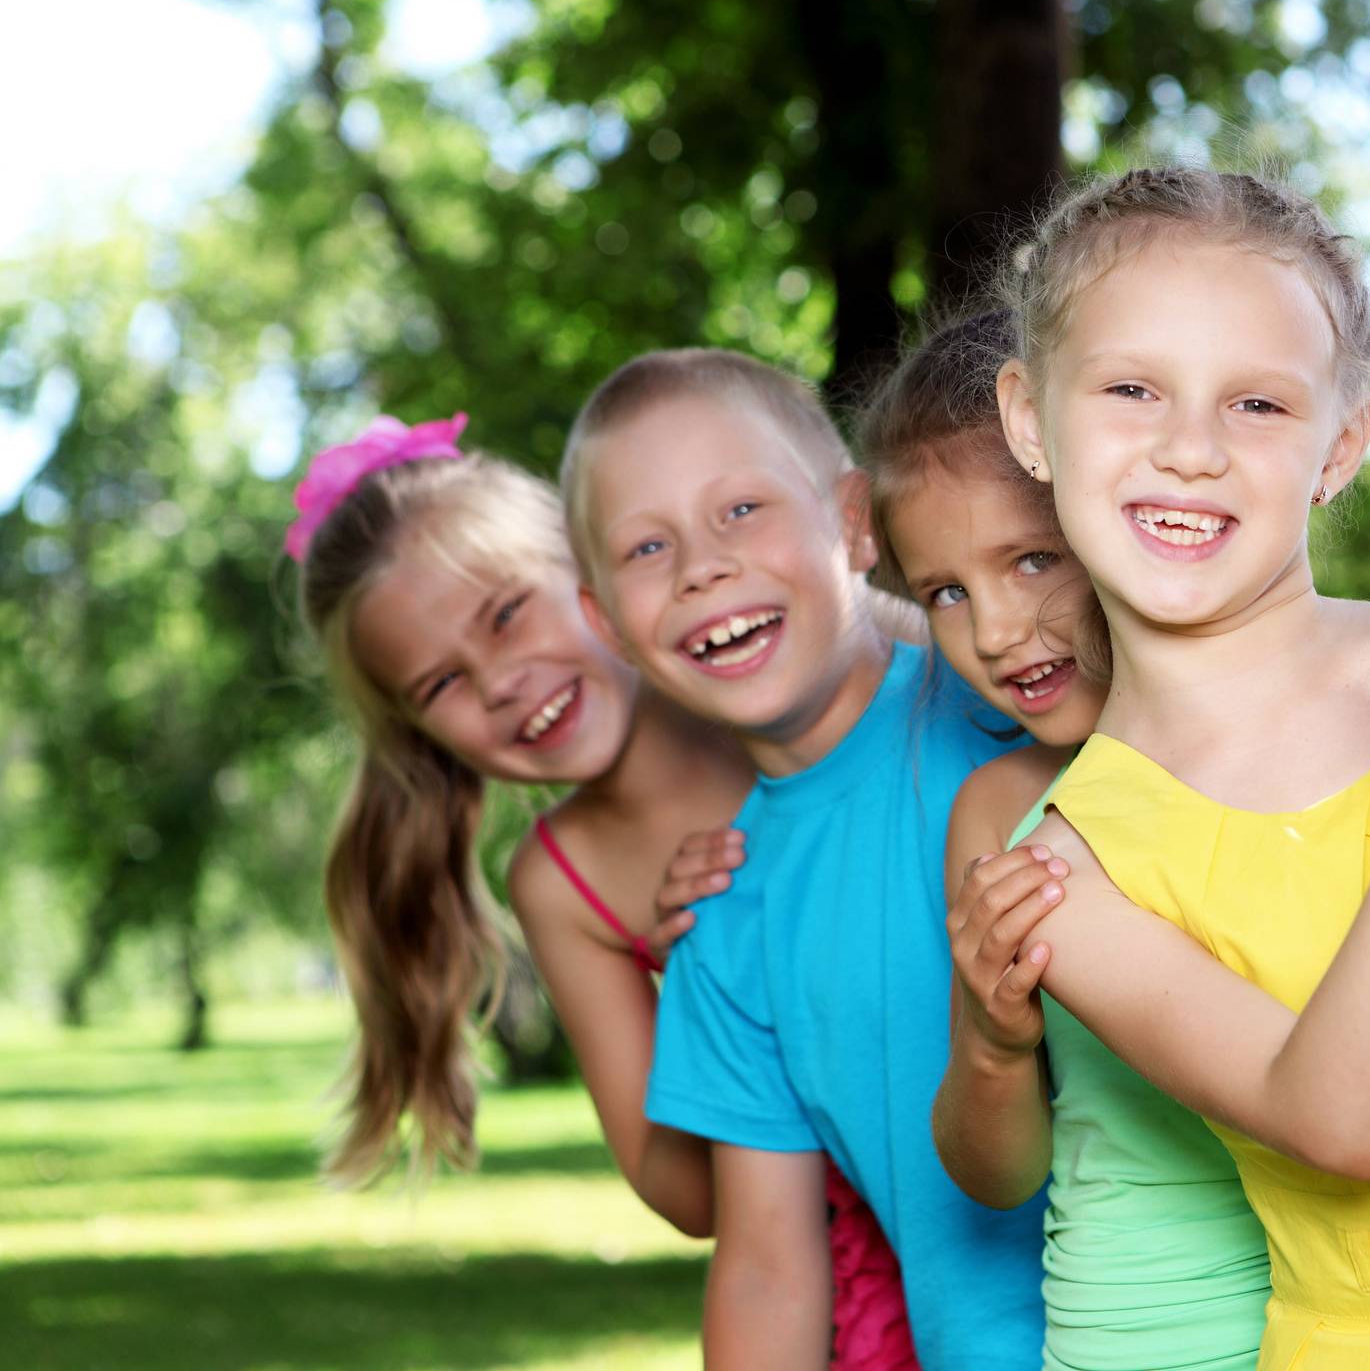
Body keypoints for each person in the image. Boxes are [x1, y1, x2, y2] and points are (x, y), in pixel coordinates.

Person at [991, 167, 1370, 1368]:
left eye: (1258, 405)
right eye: (1130, 388)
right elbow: (1341, 1118)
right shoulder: (1070, 867)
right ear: (1028, 421)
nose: (1191, 447)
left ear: (1341, 446)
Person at [290, 413, 913, 1369]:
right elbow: (688, 1195)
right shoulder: (564, 879)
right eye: (442, 682)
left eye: (506, 613)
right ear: (423, 734)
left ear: (596, 574)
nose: (501, 680)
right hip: (853, 1281)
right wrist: (707, 990)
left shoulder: (826, 656)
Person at [560, 351, 1046, 1370]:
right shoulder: (726, 914)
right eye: (647, 545)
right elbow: (768, 1266)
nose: (701, 565)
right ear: (603, 622)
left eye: (741, 508)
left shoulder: (1024, 704)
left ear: (856, 521)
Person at [858, 308, 1274, 1370]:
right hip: (1130, 1334)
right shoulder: (1001, 815)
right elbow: (995, 1173)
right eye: (946, 591)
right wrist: (995, 1045)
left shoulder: (1295, 740)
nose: (993, 631)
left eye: (1033, 559)